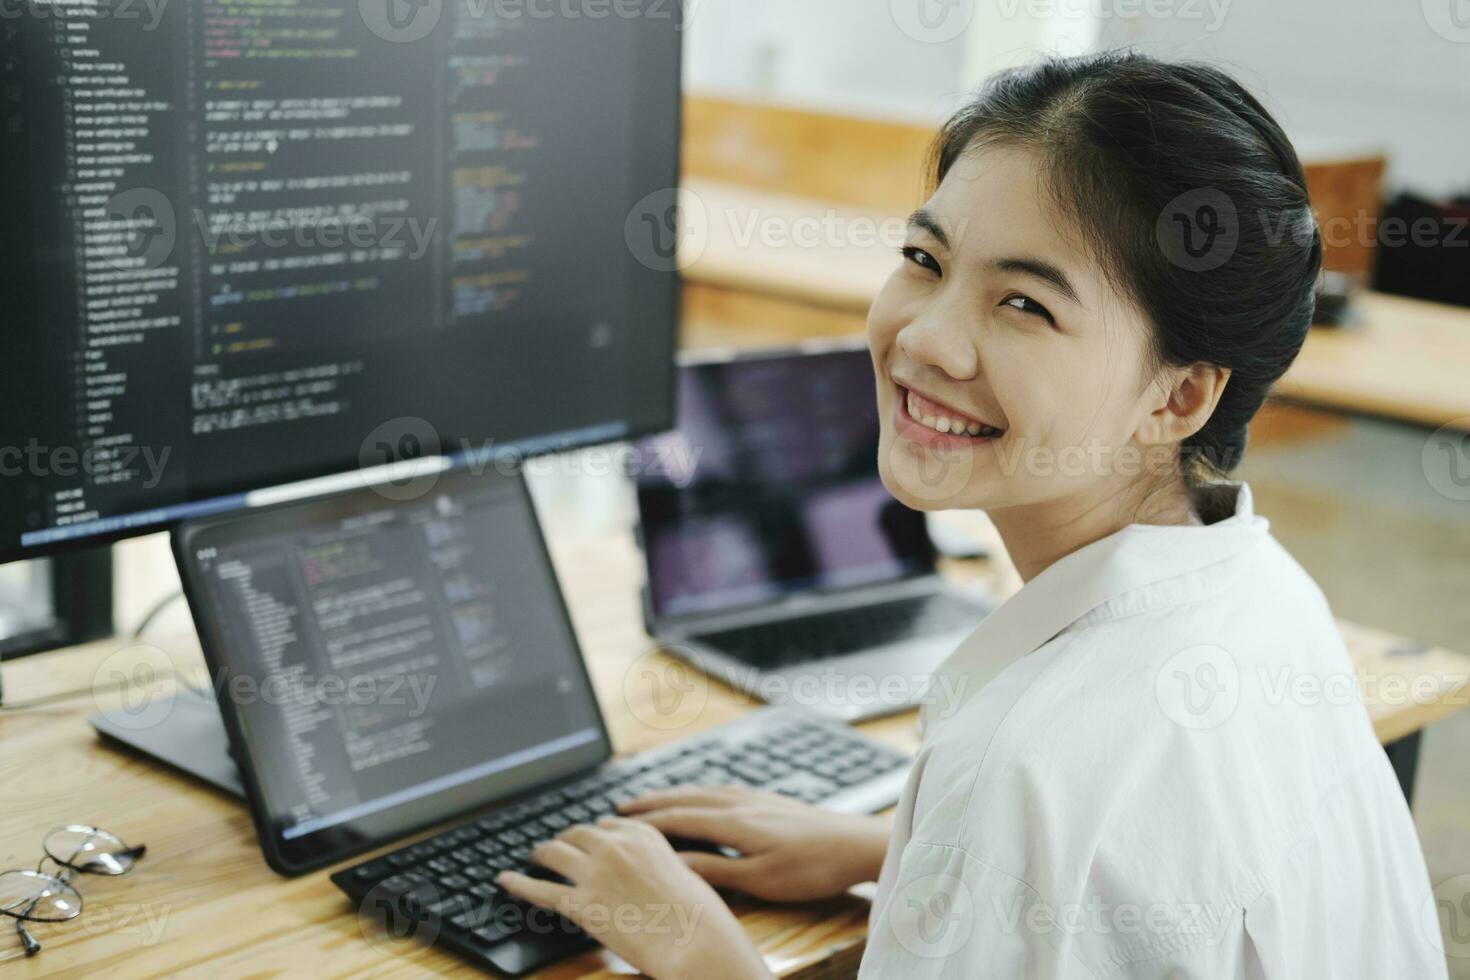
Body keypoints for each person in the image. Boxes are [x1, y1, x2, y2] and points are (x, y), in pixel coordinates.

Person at [496, 51, 1447, 978]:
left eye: (1024, 304)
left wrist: (695, 947)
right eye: (925, 258)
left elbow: (1071, 820)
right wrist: (900, 854)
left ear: (1179, 397)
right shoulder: (1262, 592)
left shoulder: (1033, 767)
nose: (927, 337)